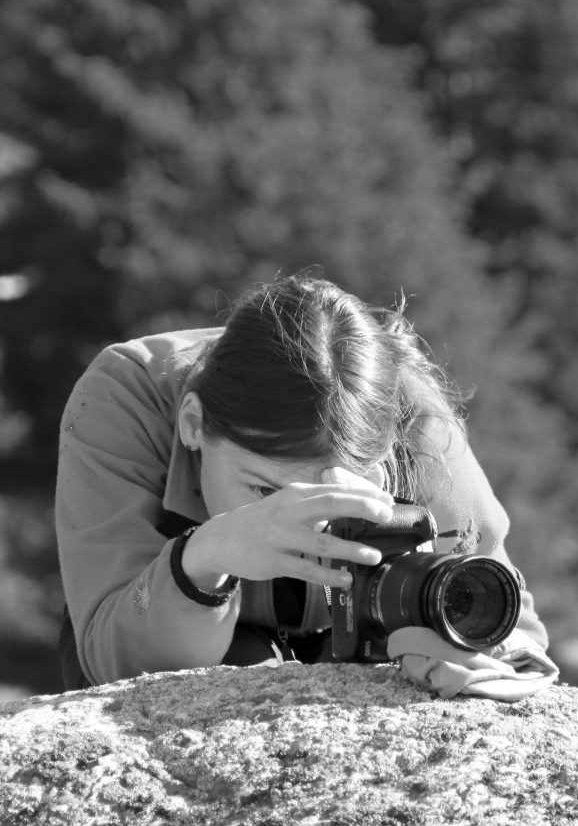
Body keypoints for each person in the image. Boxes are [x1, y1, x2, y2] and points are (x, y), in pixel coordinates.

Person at [56, 273, 549, 689]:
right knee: (238, 664)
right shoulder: (124, 397)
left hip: (351, 643)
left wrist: (477, 653)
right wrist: (205, 558)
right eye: (264, 491)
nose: (292, 523)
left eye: (329, 493)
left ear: (378, 466)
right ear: (192, 423)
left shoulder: (414, 420)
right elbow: (109, 652)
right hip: (180, 628)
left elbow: (508, 619)